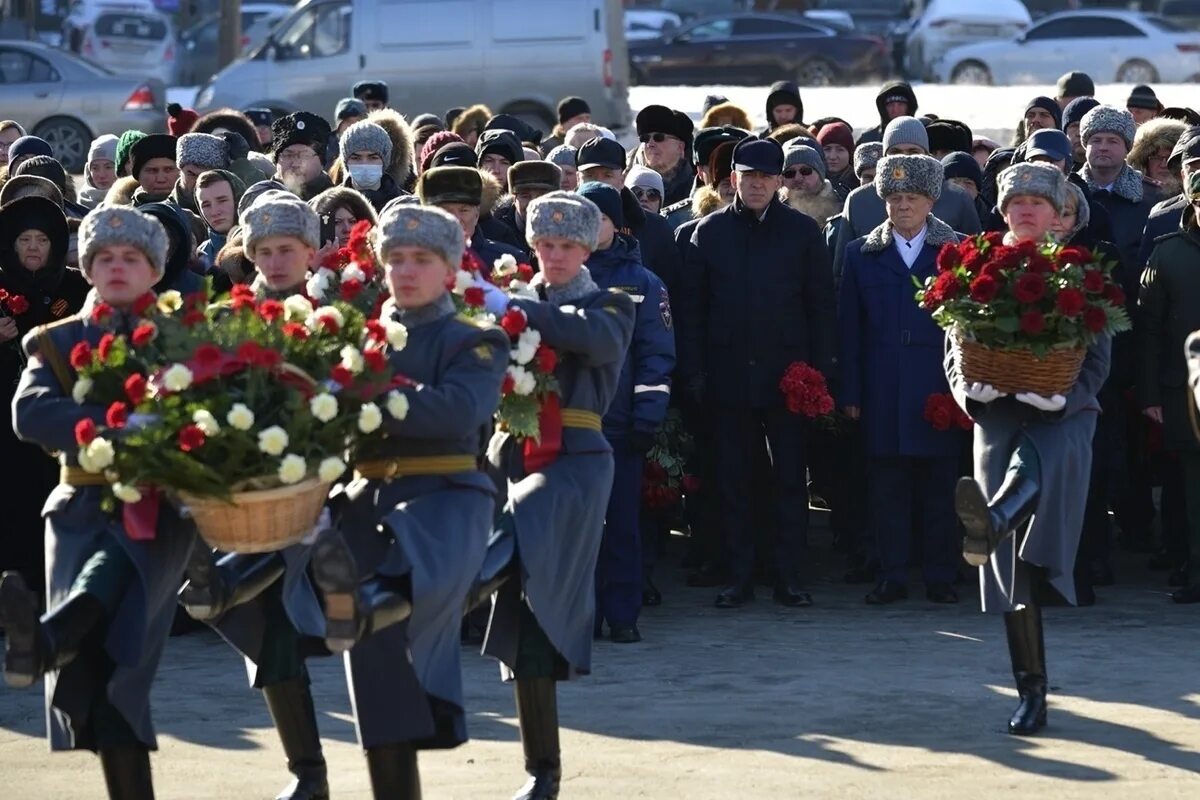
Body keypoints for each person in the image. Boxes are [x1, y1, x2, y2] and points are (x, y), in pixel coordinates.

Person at [306, 203, 508, 799]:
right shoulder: (354, 340)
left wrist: (371, 395)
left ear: (449, 270)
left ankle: (359, 594)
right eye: (395, 259)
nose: (407, 270)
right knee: (374, 669)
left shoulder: (474, 338)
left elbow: (459, 411)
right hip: (369, 497)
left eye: (422, 259)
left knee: (394, 580)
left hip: (445, 497)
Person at [0, 205, 195, 798]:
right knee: (95, 688)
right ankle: (53, 641)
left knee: (123, 673)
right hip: (81, 508)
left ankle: (48, 637)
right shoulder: (56, 341)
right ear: (84, 267)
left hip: (158, 515)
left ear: (154, 268)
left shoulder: (182, 338)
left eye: (131, 257)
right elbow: (29, 414)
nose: (116, 267)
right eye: (104, 258)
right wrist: (121, 425)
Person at [178, 196, 335, 800]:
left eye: (286, 250)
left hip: (322, 489)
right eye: (263, 250)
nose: (273, 261)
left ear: (311, 253)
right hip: (251, 494)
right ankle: (308, 773)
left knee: (247, 595)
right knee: (257, 625)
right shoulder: (228, 319)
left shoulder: (337, 314)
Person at [949, 162, 1111, 736]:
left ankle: (991, 519)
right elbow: (955, 347)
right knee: (1012, 570)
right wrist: (971, 391)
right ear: (1003, 210)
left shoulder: (1082, 271)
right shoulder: (974, 267)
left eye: (1037, 204)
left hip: (1062, 419)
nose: (1025, 210)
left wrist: (1059, 399)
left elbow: (1096, 362)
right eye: (1015, 201)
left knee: (1036, 463)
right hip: (997, 415)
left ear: (1058, 215)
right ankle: (1031, 693)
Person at [482, 191, 635, 799]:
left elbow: (594, 341)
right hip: (513, 450)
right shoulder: (512, 299)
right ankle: (541, 771)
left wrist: (513, 311)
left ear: (588, 244)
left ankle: (470, 576)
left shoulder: (613, 304)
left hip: (576, 459)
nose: (554, 255)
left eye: (567, 244)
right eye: (544, 244)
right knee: (527, 621)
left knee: (529, 524)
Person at [676, 138, 835, 609]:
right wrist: (696, 372)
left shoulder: (804, 233)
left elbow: (821, 308)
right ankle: (739, 574)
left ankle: (788, 575)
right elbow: (692, 313)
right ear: (734, 180)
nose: (758, 184)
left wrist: (821, 371)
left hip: (789, 378)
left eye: (767, 177)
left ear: (780, 181)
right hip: (728, 377)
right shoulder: (707, 233)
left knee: (790, 479)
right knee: (735, 480)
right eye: (749, 176)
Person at [839, 155, 964, 605]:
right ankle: (891, 574)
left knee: (939, 487)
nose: (902, 206)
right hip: (883, 388)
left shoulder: (958, 252)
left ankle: (939, 575)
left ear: (931, 200)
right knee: (887, 488)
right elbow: (848, 330)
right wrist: (851, 393)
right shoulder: (861, 255)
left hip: (938, 385)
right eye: (894, 198)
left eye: (911, 198)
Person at [575, 181, 674, 643]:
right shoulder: (558, 277)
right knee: (576, 528)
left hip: (619, 427)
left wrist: (646, 416)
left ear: (619, 225)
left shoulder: (643, 283)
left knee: (622, 525)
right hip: (572, 427)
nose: (592, 226)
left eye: (602, 218)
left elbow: (657, 354)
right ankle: (582, 614)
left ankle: (622, 614)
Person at [0, 195, 89, 593]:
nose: (33, 247)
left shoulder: (75, 286)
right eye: (24, 240)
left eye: (41, 239)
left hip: (60, 423)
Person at [1139, 172, 1200, 603]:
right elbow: (1148, 333)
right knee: (1192, 488)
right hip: (1185, 391)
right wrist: (1150, 395)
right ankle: (1196, 571)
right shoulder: (1169, 255)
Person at [833, 117, 981, 280]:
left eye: (913, 152)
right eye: (895, 153)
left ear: (927, 155)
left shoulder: (957, 197)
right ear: (883, 158)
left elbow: (975, 263)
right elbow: (842, 272)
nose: (904, 159)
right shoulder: (858, 200)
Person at [1077, 105, 1159, 273]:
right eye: (1096, 140)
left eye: (1112, 141)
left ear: (1127, 148)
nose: (1103, 147)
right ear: (1086, 145)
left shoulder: (1152, 197)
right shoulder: (1069, 193)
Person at [416, 165, 524, 291]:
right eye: (445, 211)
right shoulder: (411, 262)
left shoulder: (508, 261)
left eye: (464, 210)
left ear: (477, 214)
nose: (455, 219)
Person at [634, 105, 695, 206]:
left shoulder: (697, 190)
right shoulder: (627, 184)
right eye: (645, 138)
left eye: (659, 137)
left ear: (680, 147)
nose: (650, 144)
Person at [494, 161, 563, 251]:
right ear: (514, 199)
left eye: (541, 196)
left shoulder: (567, 232)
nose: (533, 203)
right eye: (525, 196)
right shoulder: (497, 235)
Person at [339, 119, 405, 211]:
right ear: (345, 161)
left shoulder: (407, 205)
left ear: (385, 161)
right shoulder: (329, 205)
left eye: (373, 158)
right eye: (356, 158)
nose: (364, 164)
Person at [271, 112, 335, 201]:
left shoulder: (337, 203)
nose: (296, 164)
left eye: (305, 156)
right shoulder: (259, 199)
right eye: (289, 155)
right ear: (276, 161)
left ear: (321, 162)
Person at [195, 169, 246, 272]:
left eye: (222, 201)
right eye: (206, 205)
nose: (214, 212)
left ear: (238, 200)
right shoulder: (201, 255)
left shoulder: (259, 247)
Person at [780, 144, 840, 228]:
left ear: (820, 175)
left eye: (805, 171)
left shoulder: (841, 204)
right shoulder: (774, 211)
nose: (798, 178)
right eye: (789, 173)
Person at [172, 132, 230, 214]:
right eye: (192, 174)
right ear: (180, 171)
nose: (199, 182)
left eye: (208, 175)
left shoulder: (229, 213)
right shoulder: (165, 213)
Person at [1128, 117, 1187, 198]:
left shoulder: (1194, 200)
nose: (1163, 165)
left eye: (1170, 157)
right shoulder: (1130, 198)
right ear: (1144, 162)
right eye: (1156, 158)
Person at [309, 184, 378, 252]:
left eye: (352, 221)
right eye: (337, 222)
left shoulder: (379, 260)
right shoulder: (307, 261)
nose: (347, 229)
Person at [856, 81, 918, 147]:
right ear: (883, 108)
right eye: (891, 104)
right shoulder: (868, 140)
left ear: (909, 107)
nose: (895, 109)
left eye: (900, 104)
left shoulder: (923, 135)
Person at [817, 121, 858, 200]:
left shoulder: (860, 183)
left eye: (840, 149)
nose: (833, 156)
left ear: (850, 153)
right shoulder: (809, 182)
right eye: (827, 149)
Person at [1062, 97, 1101, 173]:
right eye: (1075, 126)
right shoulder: (1056, 172)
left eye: (1087, 126)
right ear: (1065, 132)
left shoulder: (1116, 173)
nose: (1080, 133)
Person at [79, 135, 118, 209]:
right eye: (95, 168)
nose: (101, 175)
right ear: (88, 170)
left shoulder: (132, 202)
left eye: (108, 167)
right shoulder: (79, 204)